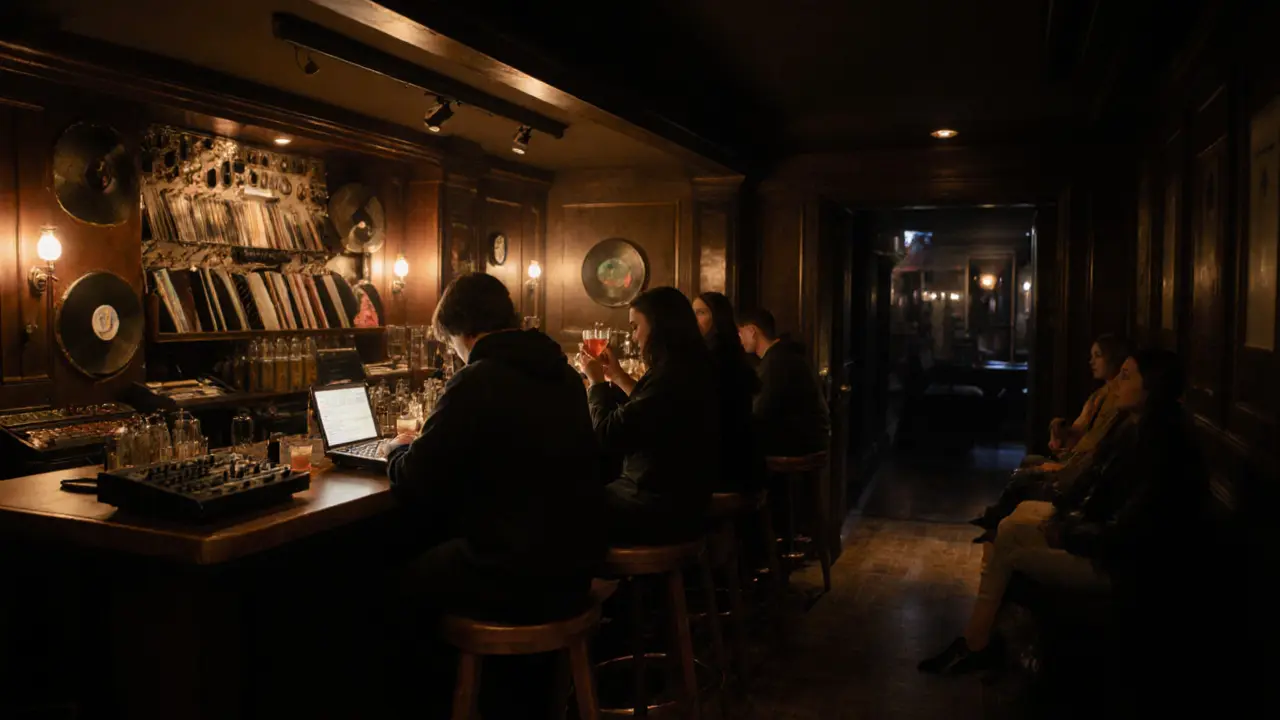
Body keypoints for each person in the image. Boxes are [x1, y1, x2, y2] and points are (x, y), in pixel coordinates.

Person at [381, 273, 606, 715]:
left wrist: (395, 450)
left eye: (452, 346)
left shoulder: (478, 379)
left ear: (465, 332)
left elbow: (415, 480)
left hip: (514, 574)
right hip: (573, 566)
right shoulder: (562, 373)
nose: (456, 357)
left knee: (391, 586)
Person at [918, 348, 1206, 676]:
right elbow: (1099, 488)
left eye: (1127, 376)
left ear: (1152, 385)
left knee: (1011, 555)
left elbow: (1131, 531)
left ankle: (987, 645)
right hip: (1109, 548)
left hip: (1130, 571)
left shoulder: (1162, 444)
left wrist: (1067, 532)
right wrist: (1067, 517)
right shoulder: (1135, 429)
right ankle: (979, 642)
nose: (1117, 385)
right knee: (1009, 530)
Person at [581, 287, 719, 544]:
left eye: (635, 327)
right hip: (686, 501)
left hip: (656, 508)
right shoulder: (692, 366)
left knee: (555, 507)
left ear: (658, 326)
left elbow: (606, 435)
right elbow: (653, 411)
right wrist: (617, 377)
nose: (633, 337)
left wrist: (596, 383)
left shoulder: (671, 376)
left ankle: (591, 582)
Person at [970, 334, 1134, 534]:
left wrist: (1061, 466)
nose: (1091, 361)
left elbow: (1093, 448)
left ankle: (996, 525)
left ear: (1113, 358)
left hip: (1080, 471)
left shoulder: (1119, 403)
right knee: (1028, 465)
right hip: (1076, 462)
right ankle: (996, 525)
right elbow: (1078, 431)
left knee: (1024, 478)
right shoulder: (1099, 395)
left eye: (1098, 355)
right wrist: (1058, 428)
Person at [692, 292, 765, 493]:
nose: (693, 319)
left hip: (726, 460)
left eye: (701, 312)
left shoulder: (716, 355)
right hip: (740, 456)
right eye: (692, 313)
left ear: (718, 317)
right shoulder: (724, 350)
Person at [736, 308, 830, 457]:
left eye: (740, 333)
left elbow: (760, 409)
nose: (739, 340)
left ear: (752, 331)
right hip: (811, 437)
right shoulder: (782, 354)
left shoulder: (777, 361)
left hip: (802, 442)